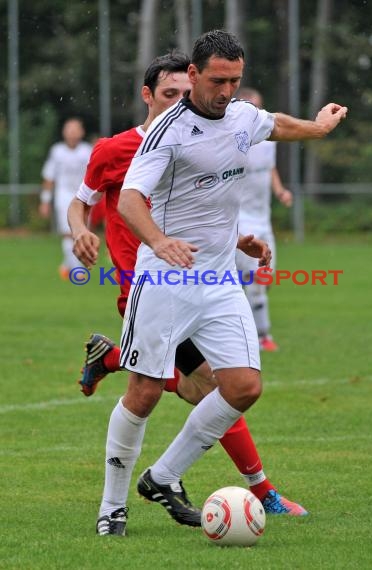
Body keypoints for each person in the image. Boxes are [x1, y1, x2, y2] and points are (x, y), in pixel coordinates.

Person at [110, 29, 347, 537]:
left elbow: (273, 124)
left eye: (235, 80)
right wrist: (159, 241)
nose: (226, 91)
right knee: (144, 391)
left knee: (243, 386)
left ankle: (163, 476)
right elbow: (131, 199)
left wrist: (317, 128)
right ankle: (112, 509)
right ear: (193, 75)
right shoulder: (167, 132)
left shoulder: (240, 113)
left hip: (218, 280)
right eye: (218, 80)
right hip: (165, 277)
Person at [67, 51, 308, 536]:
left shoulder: (203, 136)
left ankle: (115, 366)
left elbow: (204, 205)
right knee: (182, 389)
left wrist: (236, 239)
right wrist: (80, 231)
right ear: (147, 96)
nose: (180, 100)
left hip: (203, 281)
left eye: (183, 92)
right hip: (147, 284)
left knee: (223, 387)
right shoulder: (118, 149)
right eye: (168, 93)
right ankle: (239, 490)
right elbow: (82, 202)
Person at [235, 87, 293, 352]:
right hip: (241, 219)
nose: (255, 112)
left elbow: (269, 169)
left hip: (263, 219)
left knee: (265, 277)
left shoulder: (268, 138)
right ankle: (260, 336)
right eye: (250, 107)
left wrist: (279, 190)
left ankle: (244, 329)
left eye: (258, 107)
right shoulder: (233, 140)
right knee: (254, 279)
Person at [39, 118, 92, 280]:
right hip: (64, 196)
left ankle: (66, 265)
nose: (72, 133)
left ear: (81, 132)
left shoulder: (87, 150)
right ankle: (78, 270)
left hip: (83, 196)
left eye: (75, 129)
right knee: (68, 233)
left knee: (81, 233)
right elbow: (49, 177)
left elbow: (94, 174)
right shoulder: (57, 151)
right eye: (69, 129)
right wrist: (45, 200)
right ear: (64, 132)